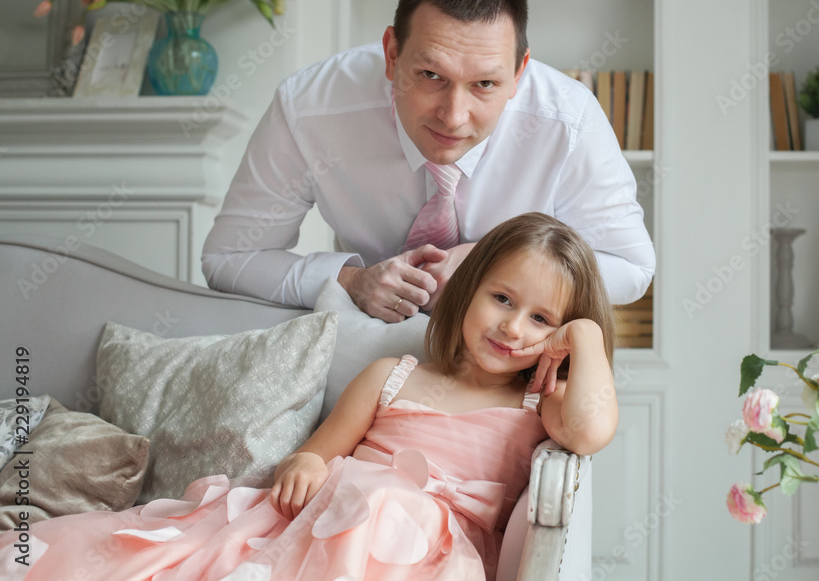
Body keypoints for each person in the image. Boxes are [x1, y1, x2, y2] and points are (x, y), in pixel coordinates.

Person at [1, 213, 617, 580]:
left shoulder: (539, 404)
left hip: (426, 559)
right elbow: (316, 454)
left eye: (542, 319)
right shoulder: (393, 376)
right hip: (332, 523)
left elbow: (590, 432)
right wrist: (303, 466)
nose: (512, 327)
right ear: (469, 291)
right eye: (502, 299)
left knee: (396, 507)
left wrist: (586, 335)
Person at [201, 0, 654, 322]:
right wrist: (349, 280)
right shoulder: (308, 108)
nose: (453, 117)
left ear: (519, 73)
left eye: (485, 84)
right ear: (392, 54)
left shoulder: (569, 120)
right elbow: (228, 257)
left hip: (513, 357)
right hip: (366, 341)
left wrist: (497, 264)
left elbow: (631, 268)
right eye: (431, 75)